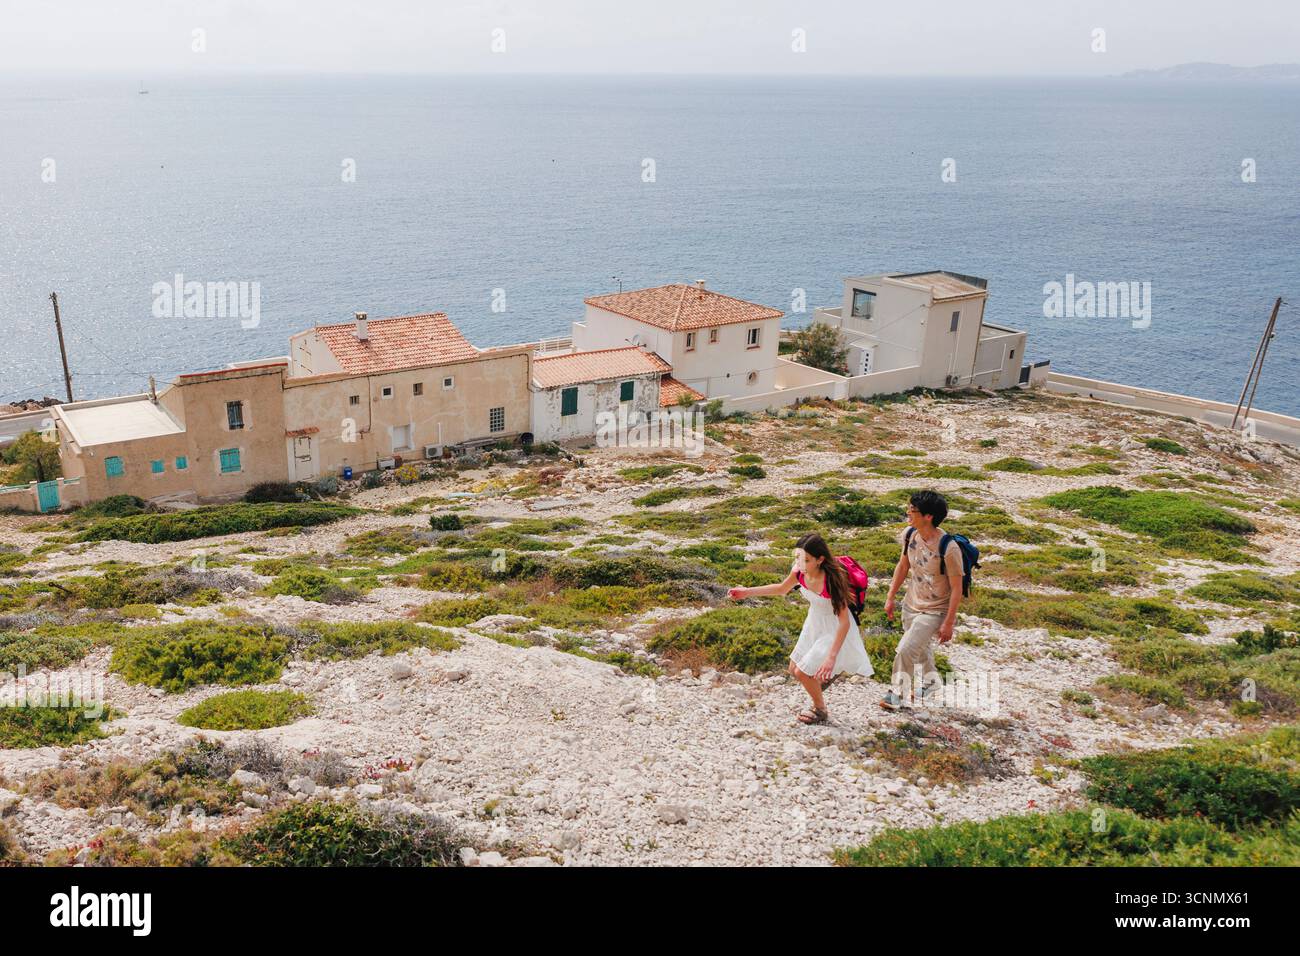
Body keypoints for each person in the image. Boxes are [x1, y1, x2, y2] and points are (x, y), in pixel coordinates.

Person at [727, 532, 874, 725]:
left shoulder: (831, 582)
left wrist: (831, 657)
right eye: (797, 557)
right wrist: (747, 592)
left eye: (806, 560)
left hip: (834, 628)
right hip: (814, 622)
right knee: (794, 668)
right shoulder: (798, 571)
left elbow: (845, 622)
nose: (801, 564)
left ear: (820, 560)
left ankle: (820, 709)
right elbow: (781, 589)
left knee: (802, 673)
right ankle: (825, 677)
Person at [880, 490, 965, 711]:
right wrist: (891, 597)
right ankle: (931, 681)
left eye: (913, 510)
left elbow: (957, 588)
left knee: (905, 649)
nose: (908, 512)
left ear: (928, 516)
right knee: (921, 646)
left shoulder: (949, 548)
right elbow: (903, 565)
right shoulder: (910, 534)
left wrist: (949, 622)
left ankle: (896, 693)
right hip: (911, 603)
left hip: (935, 610)